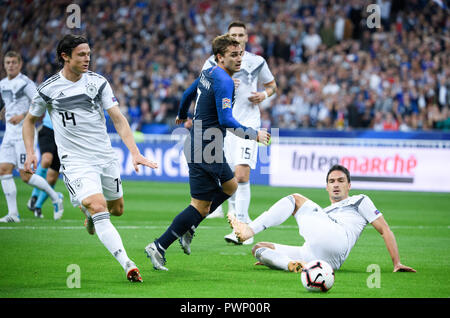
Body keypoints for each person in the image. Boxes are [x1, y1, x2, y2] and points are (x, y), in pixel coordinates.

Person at [22, 34, 158, 283]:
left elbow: (118, 118)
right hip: (75, 161)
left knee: (116, 209)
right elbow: (30, 121)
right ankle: (128, 264)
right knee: (98, 205)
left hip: (104, 156)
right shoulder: (48, 89)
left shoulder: (98, 83)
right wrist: (31, 151)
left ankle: (91, 218)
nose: (87, 59)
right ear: (65, 56)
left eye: (89, 54)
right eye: (81, 55)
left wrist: (134, 152)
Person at [144, 34, 271, 271]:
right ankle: (159, 246)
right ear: (220, 57)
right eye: (233, 55)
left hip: (206, 144)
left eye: (240, 54)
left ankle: (190, 227)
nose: (239, 59)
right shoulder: (223, 80)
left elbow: (186, 95)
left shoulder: (209, 73)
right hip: (206, 148)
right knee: (199, 207)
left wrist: (182, 115)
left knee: (231, 186)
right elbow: (227, 120)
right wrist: (255, 134)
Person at [228, 164, 416, 273]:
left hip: (338, 240)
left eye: (341, 181)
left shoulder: (360, 200)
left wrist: (396, 262)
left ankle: (248, 230)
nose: (336, 185)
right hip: (318, 257)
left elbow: (385, 230)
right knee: (259, 248)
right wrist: (275, 259)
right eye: (331, 181)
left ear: (349, 185)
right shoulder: (323, 213)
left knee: (295, 199)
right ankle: (290, 264)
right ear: (326, 187)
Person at [201, 21, 277, 246]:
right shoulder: (213, 61)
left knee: (242, 175)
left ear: (246, 37)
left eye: (241, 35)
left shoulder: (256, 61)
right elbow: (202, 86)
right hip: (223, 124)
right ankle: (236, 217)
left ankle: (242, 227)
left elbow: (273, 86)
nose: (237, 38)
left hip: (248, 123)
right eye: (233, 35)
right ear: (227, 37)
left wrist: (264, 95)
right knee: (227, 177)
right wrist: (221, 84)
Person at [0, 51, 64, 223]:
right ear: (4, 65)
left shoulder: (26, 83)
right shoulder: (2, 84)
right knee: (3, 170)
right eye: (8, 62)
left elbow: (39, 105)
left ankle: (55, 197)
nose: (10, 65)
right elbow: (6, 105)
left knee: (26, 176)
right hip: (8, 134)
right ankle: (13, 213)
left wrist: (22, 116)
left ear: (20, 65)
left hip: (24, 134)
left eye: (14, 62)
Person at [26, 110, 61, 219]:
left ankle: (37, 206)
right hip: (48, 129)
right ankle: (34, 196)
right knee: (46, 160)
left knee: (52, 179)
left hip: (64, 135)